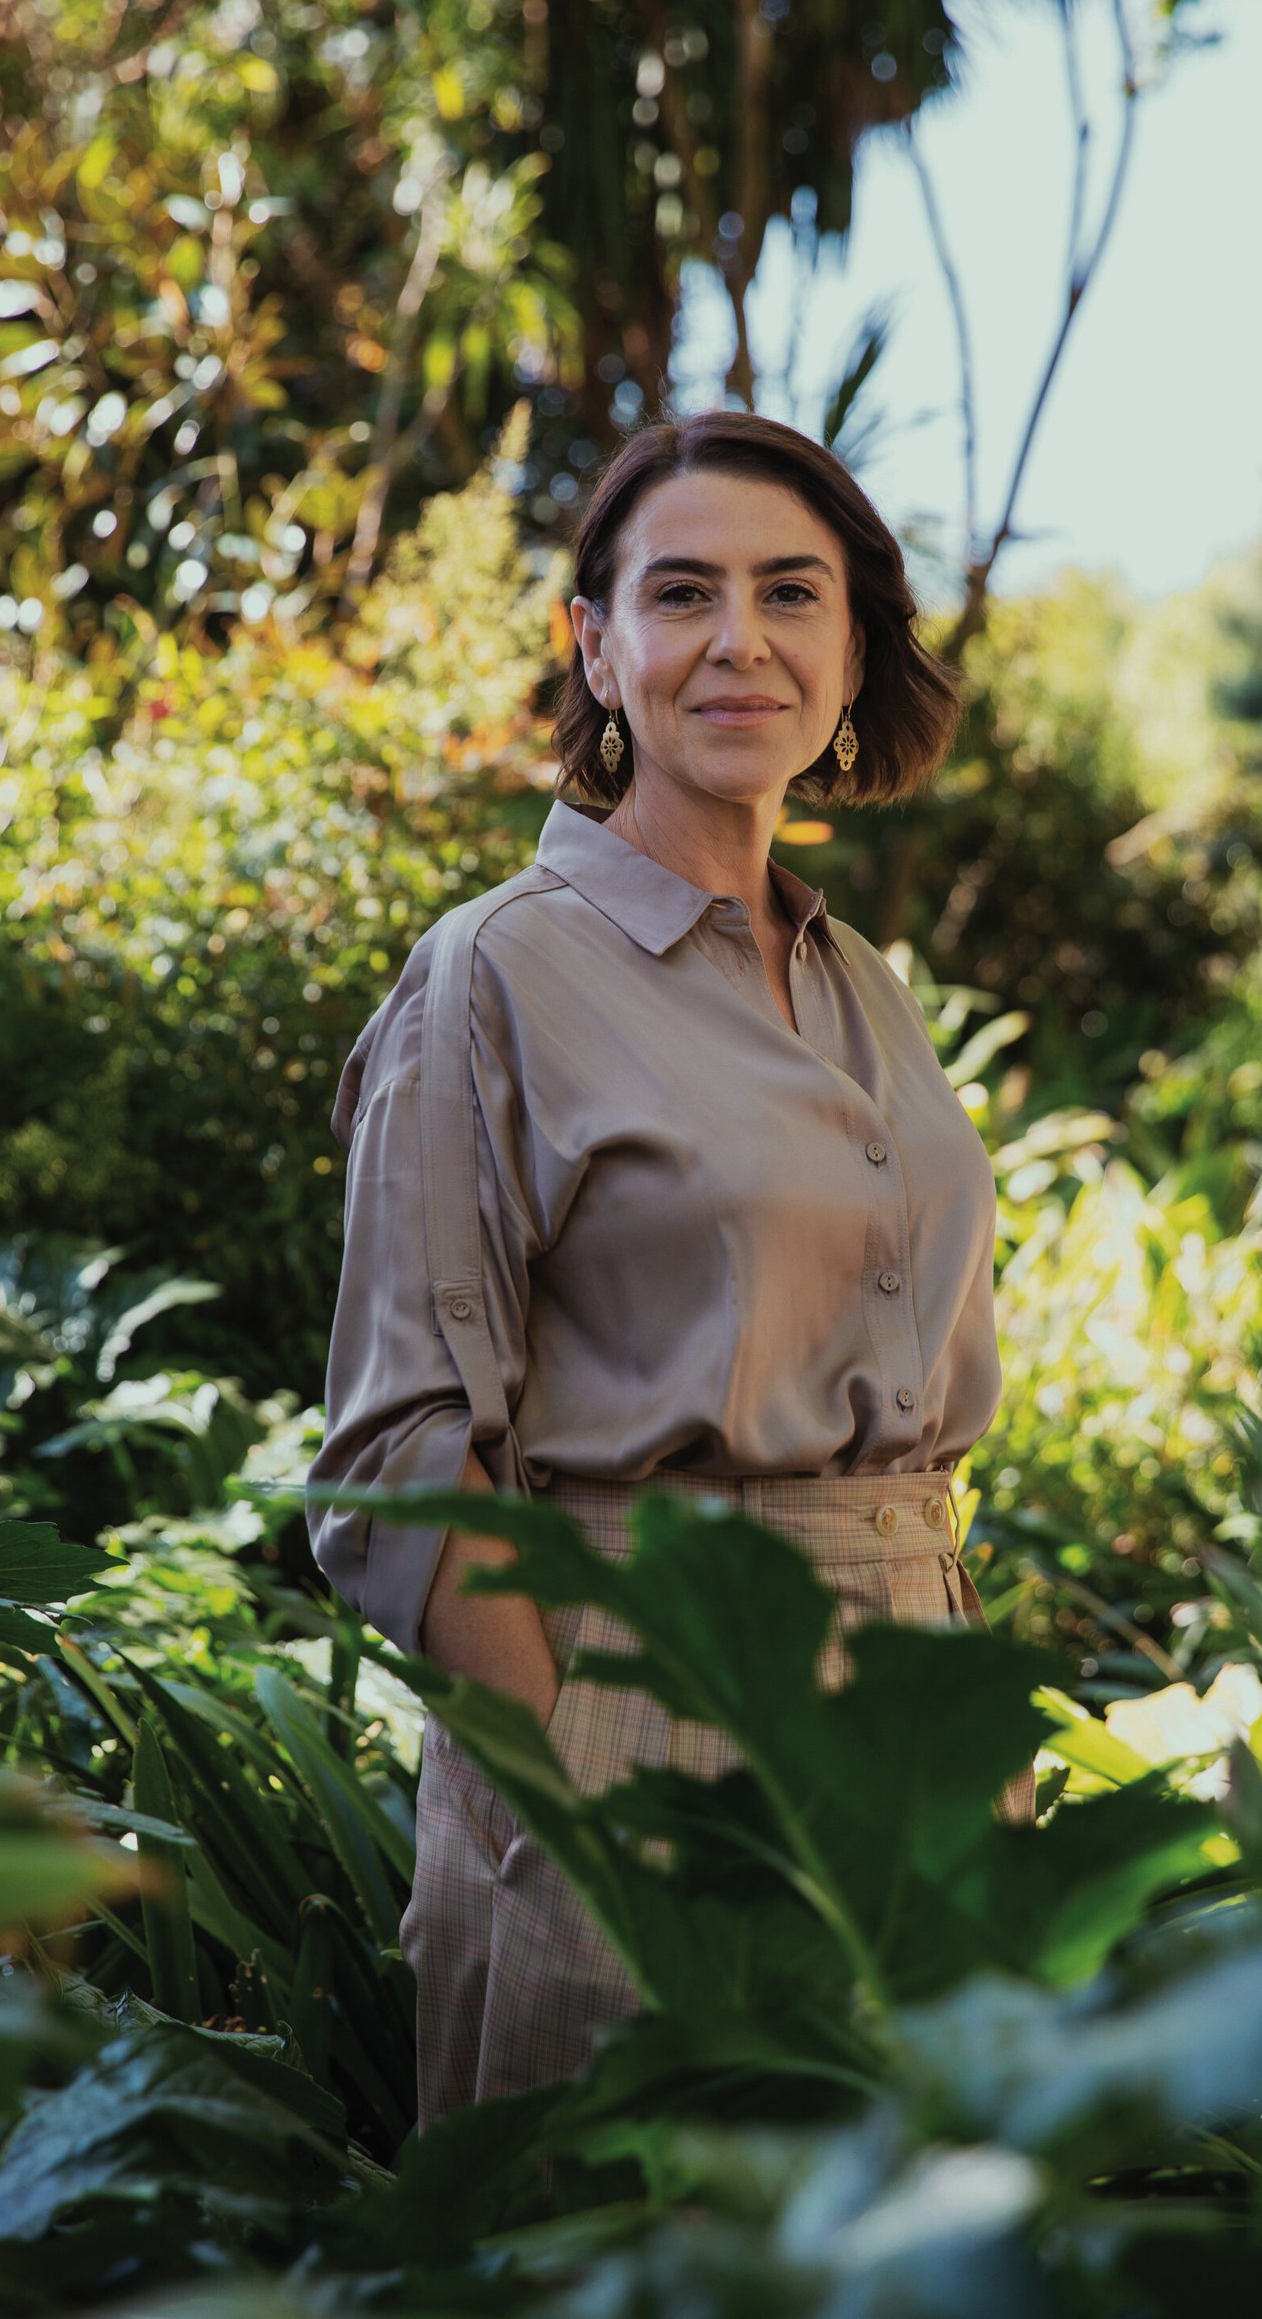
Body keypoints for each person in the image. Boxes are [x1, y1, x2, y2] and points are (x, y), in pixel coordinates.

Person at [304, 408, 1032, 2132]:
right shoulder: (490, 975)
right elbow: (403, 1455)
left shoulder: (868, 988)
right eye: (682, 592)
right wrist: (572, 1800)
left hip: (915, 1718)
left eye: (793, 593)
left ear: (851, 649)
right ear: (598, 648)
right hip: (642, 1719)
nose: (741, 640)